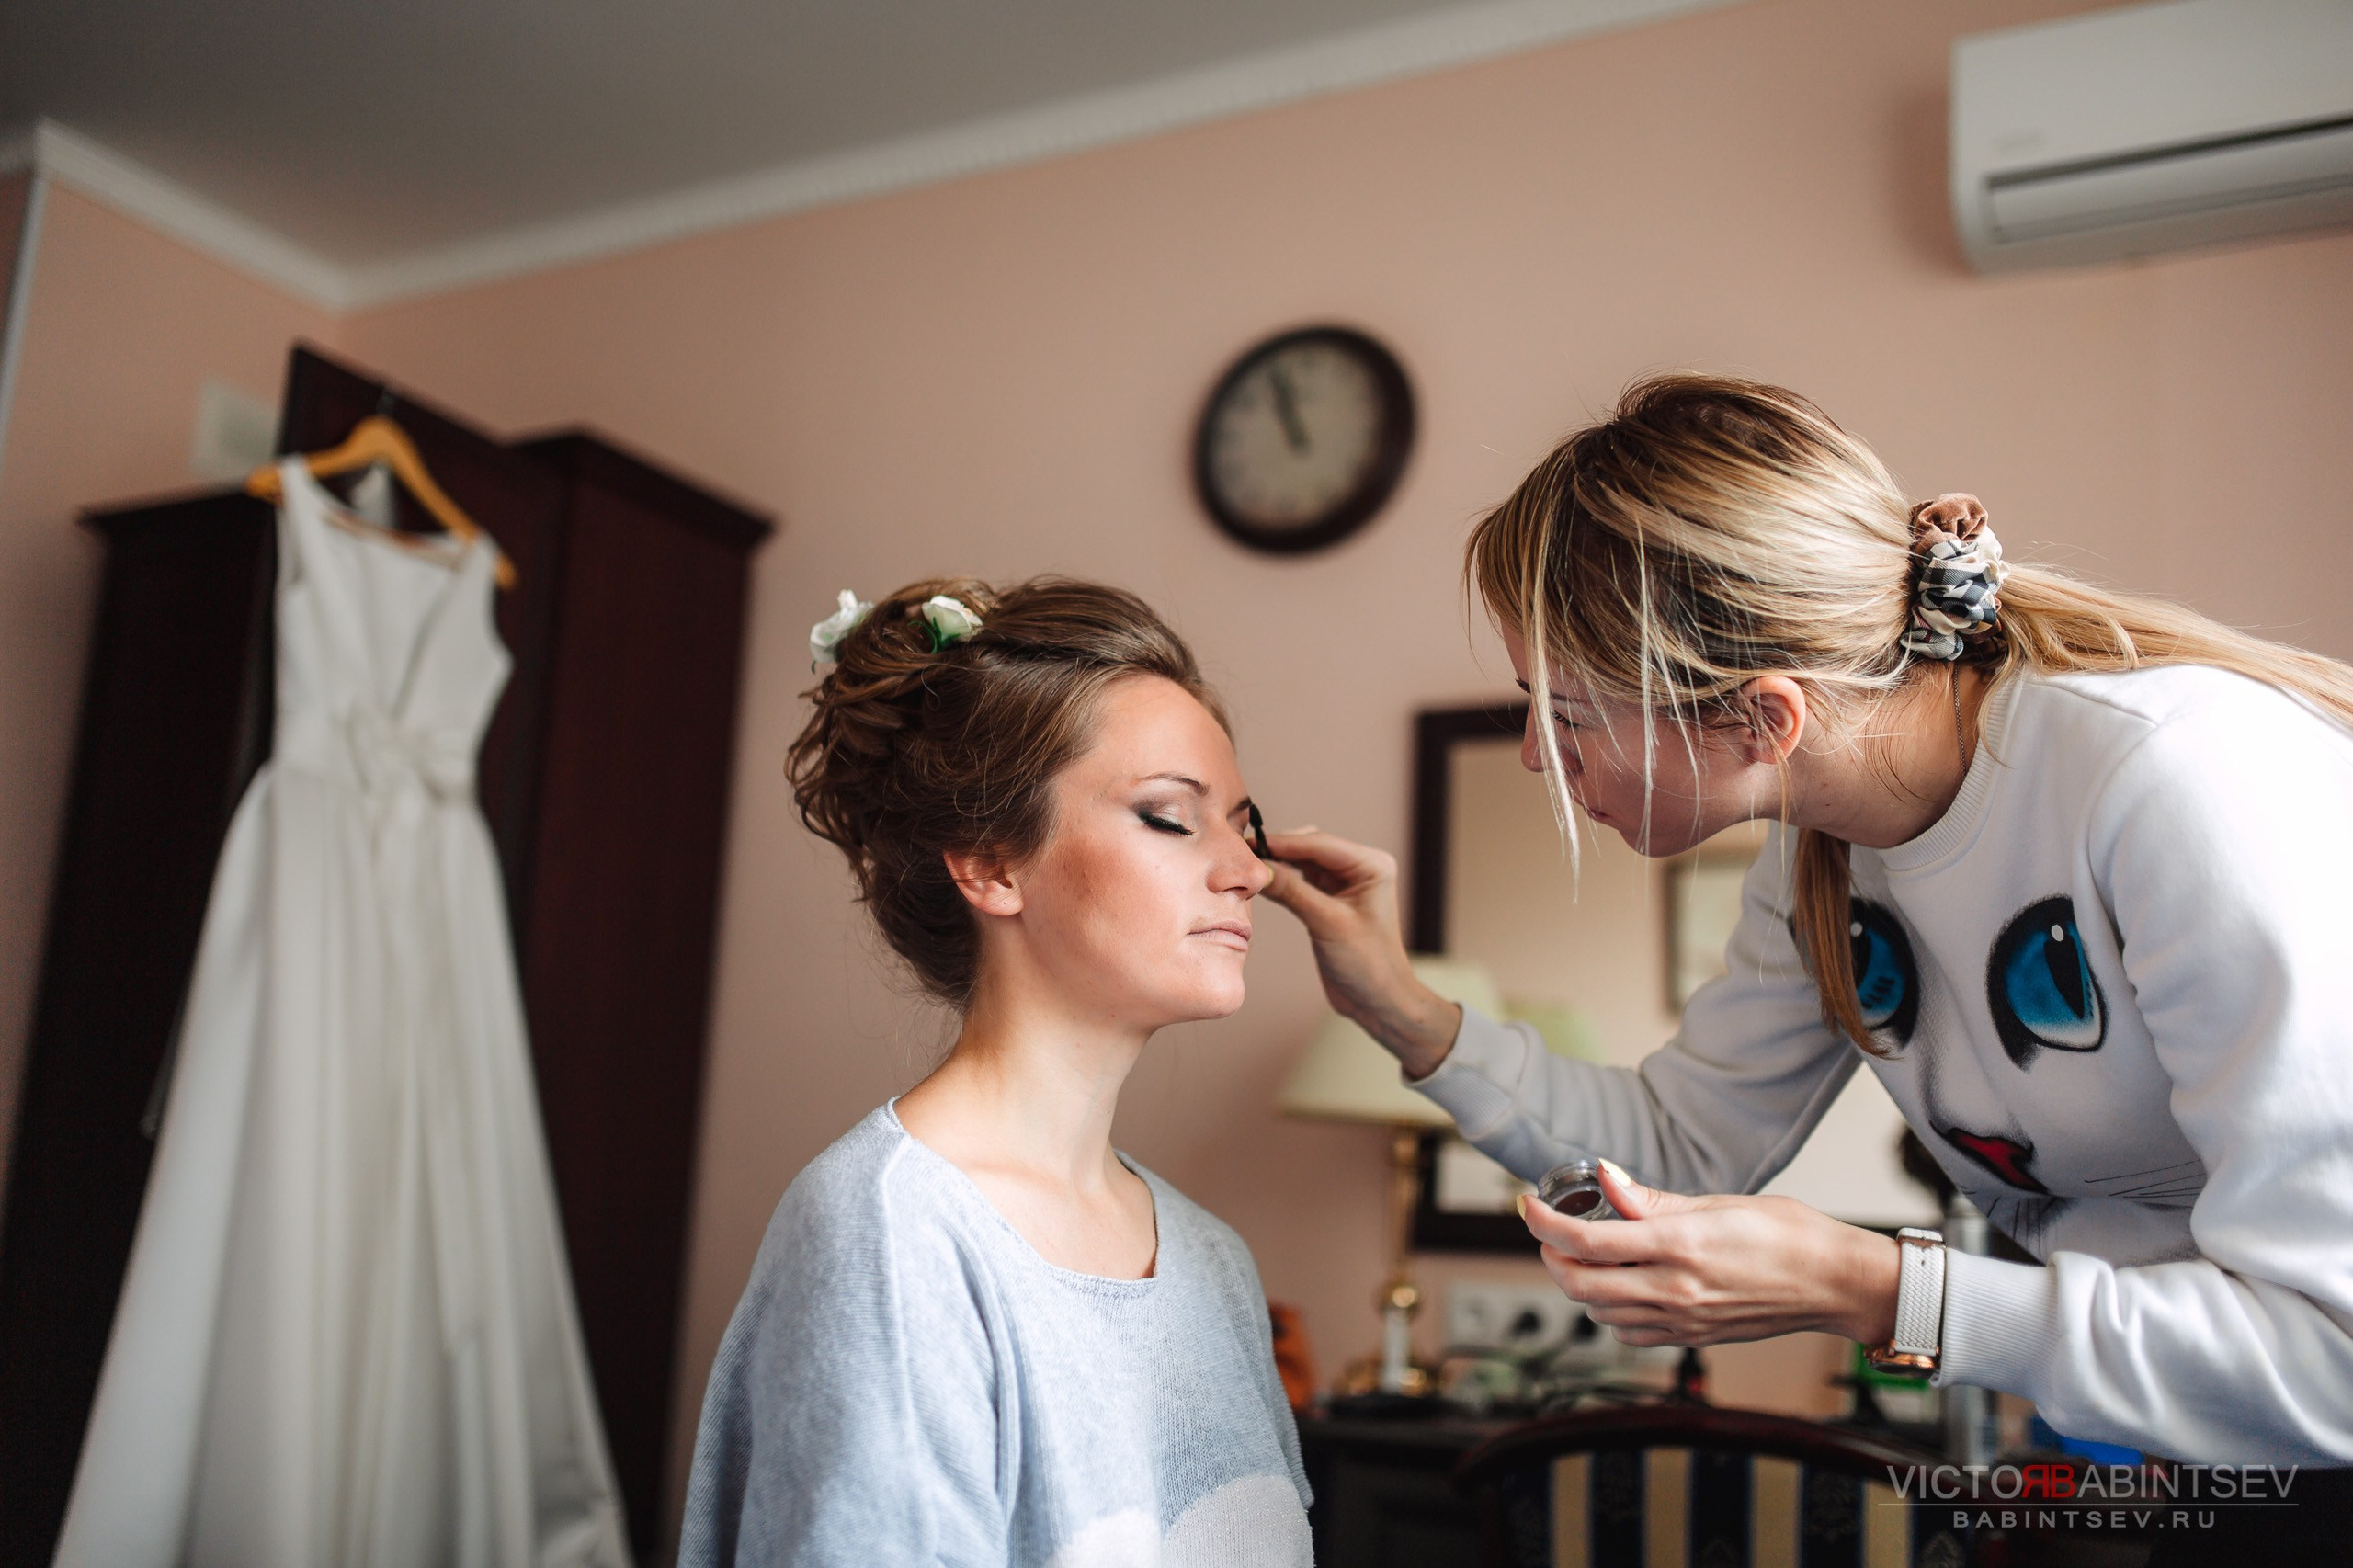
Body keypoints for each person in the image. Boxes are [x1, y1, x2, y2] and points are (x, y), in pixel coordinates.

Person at [1261, 375, 2353, 1483]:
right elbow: (1677, 1150)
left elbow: (2333, 1357)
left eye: (1572, 715)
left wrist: (1867, 1285)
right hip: (2203, 1454)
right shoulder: (1817, 857)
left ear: (1765, 717)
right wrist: (1394, 1005)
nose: (1543, 757)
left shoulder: (2178, 785)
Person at [678, 578, 1312, 1568]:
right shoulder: (890, 1233)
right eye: (1169, 816)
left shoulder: (1215, 1263)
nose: (1248, 868)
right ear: (989, 863)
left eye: (1243, 821)